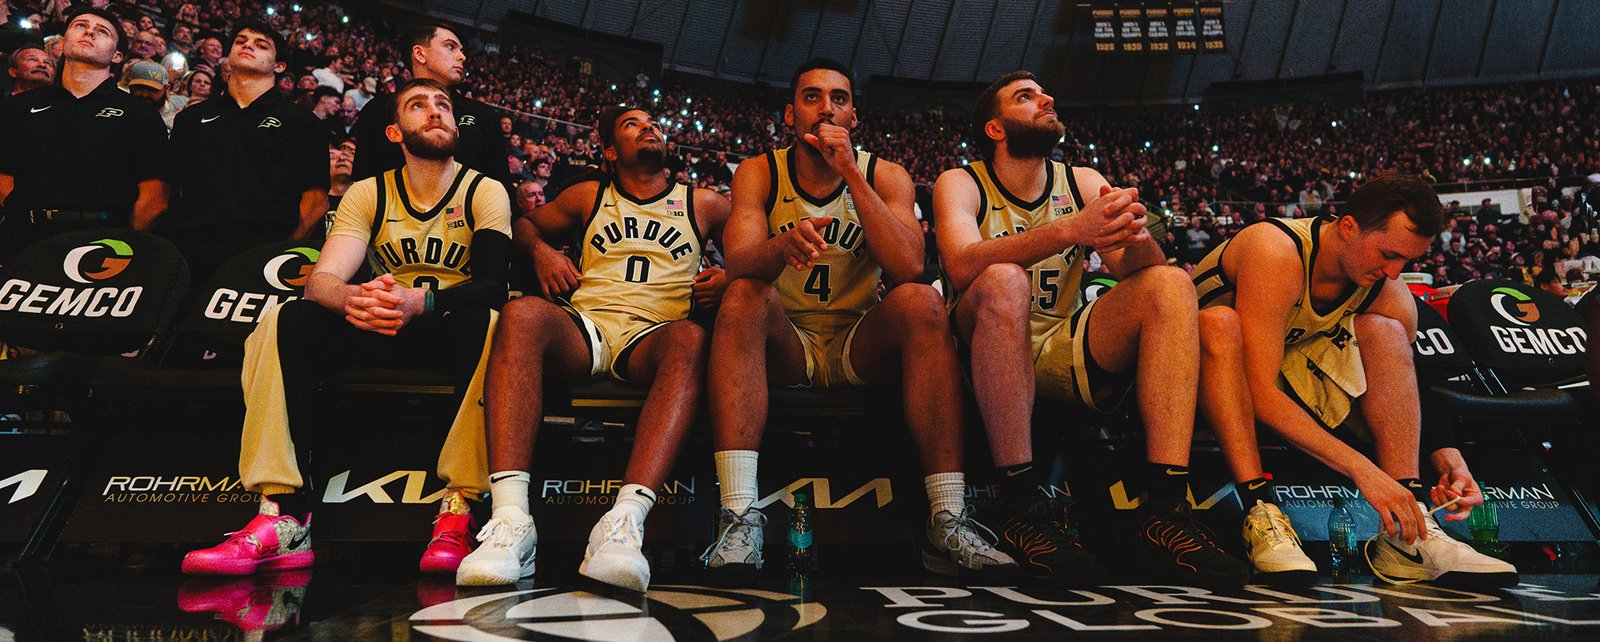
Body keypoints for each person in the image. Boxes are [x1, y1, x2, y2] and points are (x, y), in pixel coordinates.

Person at [701, 59, 1016, 582]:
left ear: (854, 117)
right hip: (787, 340)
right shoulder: (759, 171)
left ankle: (947, 516)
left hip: (856, 340)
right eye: (812, 97)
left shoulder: (884, 174)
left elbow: (909, 265)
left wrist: (849, 172)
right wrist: (780, 246)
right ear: (789, 114)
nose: (826, 108)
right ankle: (738, 516)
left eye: (840, 99)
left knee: (921, 301)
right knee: (741, 296)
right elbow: (738, 262)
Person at [181, 78, 512, 577]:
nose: (435, 111)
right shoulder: (368, 192)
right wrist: (355, 300)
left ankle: (461, 508)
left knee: (491, 324)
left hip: (446, 325)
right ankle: (283, 514)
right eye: (418, 105)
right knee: (283, 318)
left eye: (443, 105)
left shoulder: (484, 190)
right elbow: (322, 282)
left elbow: (492, 285)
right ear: (395, 132)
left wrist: (421, 301)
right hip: (378, 320)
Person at [933, 70, 1245, 588]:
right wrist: (1071, 229)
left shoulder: (1080, 179)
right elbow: (961, 265)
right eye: (1026, 97)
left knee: (1170, 284)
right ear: (995, 128)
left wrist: (1136, 234)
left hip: (1060, 343)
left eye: (1044, 93)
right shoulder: (961, 181)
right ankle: (1021, 510)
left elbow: (1138, 271)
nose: (1047, 99)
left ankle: (1165, 511)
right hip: (978, 350)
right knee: (1005, 281)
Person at [1193, 174, 1519, 588]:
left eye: (1406, 261)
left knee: (1387, 332)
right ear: (1348, 227)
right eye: (1388, 254)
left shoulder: (1385, 286)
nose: (1394, 272)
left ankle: (1406, 530)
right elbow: (1260, 390)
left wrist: (1448, 457)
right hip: (1186, 376)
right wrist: (1363, 470)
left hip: (1278, 374)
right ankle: (1259, 510)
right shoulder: (1276, 250)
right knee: (1220, 325)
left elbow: (1410, 378)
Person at [454, 106, 729, 591]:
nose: (649, 127)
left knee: (691, 337)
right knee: (520, 315)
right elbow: (525, 226)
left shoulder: (704, 202)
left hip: (655, 336)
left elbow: (757, 250)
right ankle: (512, 520)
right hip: (587, 328)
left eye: (653, 122)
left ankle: (624, 522)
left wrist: (729, 276)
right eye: (632, 125)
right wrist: (542, 252)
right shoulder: (588, 195)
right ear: (609, 151)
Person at [159, 20, 329, 283]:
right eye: (240, 41)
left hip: (264, 250)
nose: (248, 45)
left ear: (279, 66)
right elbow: (170, 186)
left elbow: (316, 201)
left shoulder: (302, 122)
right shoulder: (191, 118)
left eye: (261, 45)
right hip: (190, 249)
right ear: (228, 56)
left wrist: (279, 252)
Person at [0, 6, 167, 261]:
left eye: (102, 31)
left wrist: (119, 243)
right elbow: (4, 174)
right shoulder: (19, 107)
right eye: (80, 25)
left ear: (117, 55)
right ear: (63, 41)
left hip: (103, 243)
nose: (89, 32)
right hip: (22, 238)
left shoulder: (140, 115)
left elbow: (153, 198)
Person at [352, 23, 508, 190]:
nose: (462, 57)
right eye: (450, 47)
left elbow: (500, 187)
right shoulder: (378, 110)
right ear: (420, 54)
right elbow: (363, 183)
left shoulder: (484, 115)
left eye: (461, 50)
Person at [123, 59, 181, 131]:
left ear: (167, 88)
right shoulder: (119, 112)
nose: (144, 94)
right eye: (139, 88)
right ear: (130, 87)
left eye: (152, 89)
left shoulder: (177, 119)